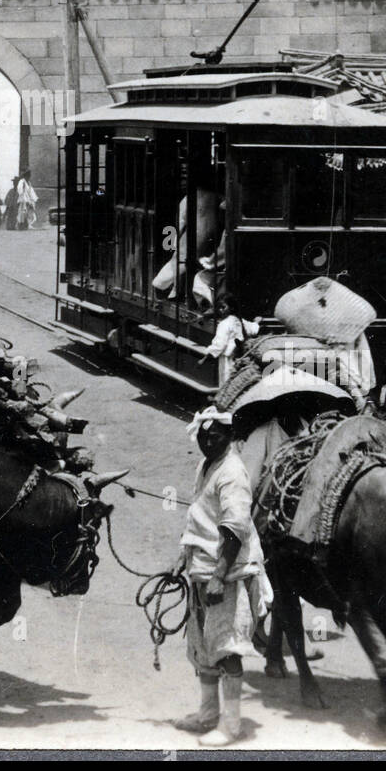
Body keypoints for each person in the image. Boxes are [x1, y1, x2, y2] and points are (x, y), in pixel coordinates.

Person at [170, 406, 272, 746]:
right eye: (203, 436)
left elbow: (234, 528)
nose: (207, 442)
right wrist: (180, 559)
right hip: (201, 565)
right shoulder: (206, 465)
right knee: (204, 646)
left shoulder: (233, 472)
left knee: (228, 648)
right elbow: (200, 517)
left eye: (215, 437)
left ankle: (231, 725)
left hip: (227, 572)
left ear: (229, 437)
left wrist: (218, 576)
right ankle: (208, 714)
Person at [202, 296, 260, 389]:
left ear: (231, 308)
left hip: (227, 359)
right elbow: (253, 329)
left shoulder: (224, 324)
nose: (221, 310)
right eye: (219, 307)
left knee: (226, 381)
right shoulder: (239, 320)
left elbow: (219, 344)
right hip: (238, 357)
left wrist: (206, 356)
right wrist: (257, 322)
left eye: (223, 307)